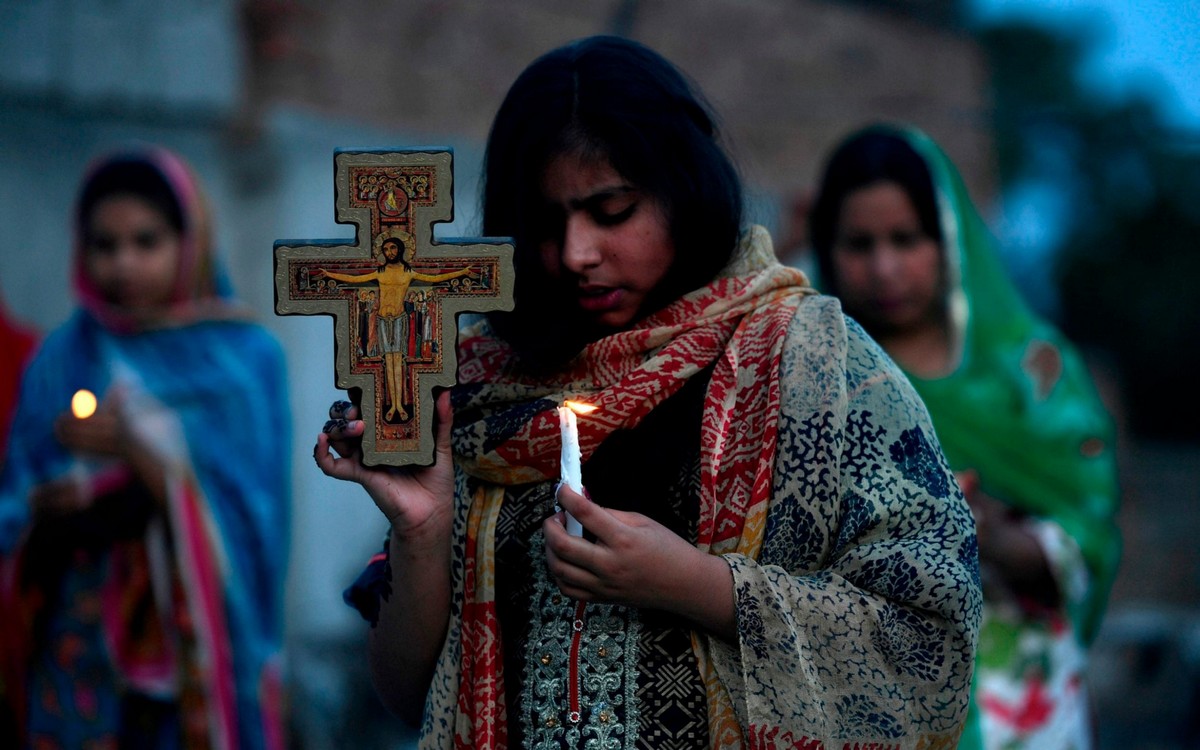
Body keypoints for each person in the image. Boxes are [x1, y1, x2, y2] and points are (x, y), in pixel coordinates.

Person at [319, 37, 981, 749]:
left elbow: (929, 645)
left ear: (683, 189)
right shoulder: (477, 392)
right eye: (547, 223)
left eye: (612, 211)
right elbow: (405, 691)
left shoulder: (818, 370)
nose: (576, 254)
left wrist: (695, 584)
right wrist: (423, 529)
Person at [807, 124, 1121, 750]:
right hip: (862, 694)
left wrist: (983, 531)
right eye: (859, 244)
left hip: (1017, 698)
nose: (884, 267)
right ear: (825, 248)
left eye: (907, 239)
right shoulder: (811, 376)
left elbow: (1086, 533)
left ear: (951, 238)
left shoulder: (1031, 372)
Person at [0, 146, 292, 749]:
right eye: (103, 246)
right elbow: (16, 494)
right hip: (77, 640)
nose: (122, 264)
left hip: (191, 657)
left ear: (189, 243)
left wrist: (143, 456)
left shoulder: (241, 361)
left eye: (146, 241)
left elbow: (254, 517)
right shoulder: (61, 356)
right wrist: (52, 502)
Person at [313, 229, 476, 422]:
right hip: (382, 320)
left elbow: (435, 279)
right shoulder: (380, 272)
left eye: (392, 248)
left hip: (399, 320)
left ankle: (398, 404)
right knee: (388, 362)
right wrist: (328, 273)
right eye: (386, 249)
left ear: (399, 250)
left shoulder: (408, 272)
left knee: (397, 362)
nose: (389, 252)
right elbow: (354, 279)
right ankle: (392, 405)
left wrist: (463, 272)